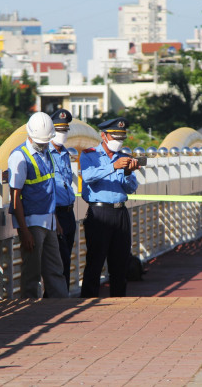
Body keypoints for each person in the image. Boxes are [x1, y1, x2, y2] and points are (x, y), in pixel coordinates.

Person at [7, 112, 68, 298]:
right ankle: (29, 310)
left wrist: (54, 219)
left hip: (48, 221)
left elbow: (48, 189)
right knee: (32, 272)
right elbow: (15, 197)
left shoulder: (46, 153)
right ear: (29, 134)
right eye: (40, 141)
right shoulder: (19, 156)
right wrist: (24, 231)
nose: (43, 145)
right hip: (32, 224)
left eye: (45, 141)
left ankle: (62, 305)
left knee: (55, 269)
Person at [79, 117, 140, 298]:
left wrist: (128, 173)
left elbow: (131, 188)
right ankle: (87, 301)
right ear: (104, 136)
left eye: (122, 138)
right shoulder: (90, 154)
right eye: (115, 137)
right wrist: (113, 166)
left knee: (120, 263)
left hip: (120, 212)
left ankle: (118, 302)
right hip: (100, 212)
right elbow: (88, 176)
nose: (119, 142)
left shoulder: (125, 156)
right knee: (95, 262)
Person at [49, 109, 77, 291]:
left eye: (65, 130)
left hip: (69, 212)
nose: (63, 134)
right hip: (55, 214)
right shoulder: (44, 153)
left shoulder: (66, 154)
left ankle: (59, 297)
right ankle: (59, 300)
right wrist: (54, 218)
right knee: (60, 260)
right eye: (59, 130)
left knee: (65, 260)